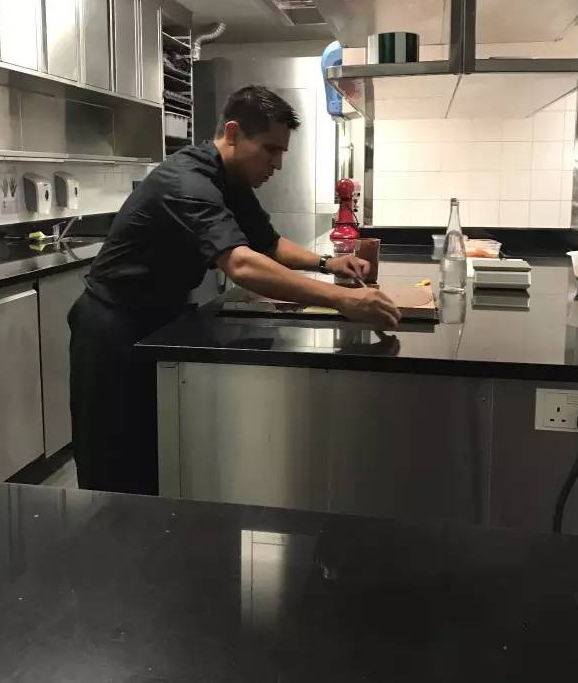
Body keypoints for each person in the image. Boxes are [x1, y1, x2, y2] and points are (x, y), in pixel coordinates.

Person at [68, 85, 399, 495]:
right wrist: (343, 299)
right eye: (270, 149)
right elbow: (241, 263)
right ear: (233, 133)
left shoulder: (232, 182)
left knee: (159, 452)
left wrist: (327, 264)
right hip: (113, 326)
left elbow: (268, 244)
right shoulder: (186, 180)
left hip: (161, 319)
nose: (277, 163)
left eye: (282, 152)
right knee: (113, 464)